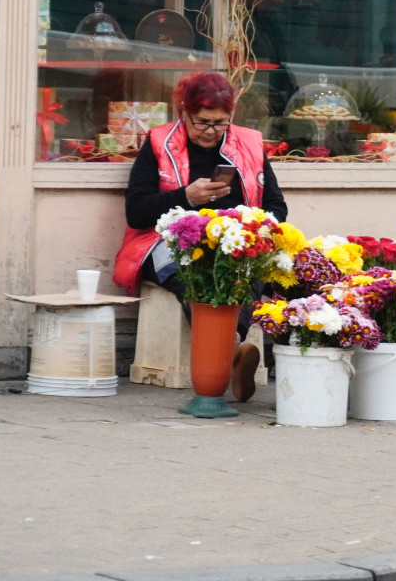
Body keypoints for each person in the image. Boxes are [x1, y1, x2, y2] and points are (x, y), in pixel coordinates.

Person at [113, 72, 289, 402]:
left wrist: (252, 226)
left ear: (231, 116)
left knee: (247, 265)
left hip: (233, 240)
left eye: (219, 123)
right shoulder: (158, 142)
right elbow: (136, 212)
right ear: (184, 113)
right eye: (201, 123)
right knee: (194, 274)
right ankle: (232, 354)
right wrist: (187, 197)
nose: (210, 132)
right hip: (165, 241)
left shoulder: (249, 144)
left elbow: (277, 206)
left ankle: (227, 355)